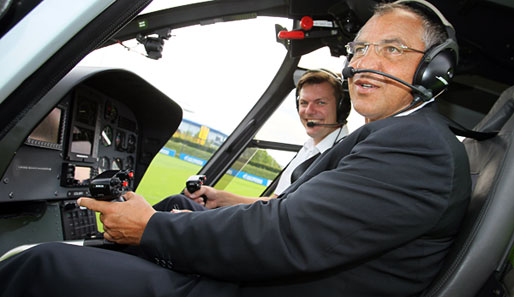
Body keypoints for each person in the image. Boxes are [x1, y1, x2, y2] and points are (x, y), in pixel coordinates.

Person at [0, 1, 471, 297]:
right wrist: (172, 223)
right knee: (173, 209)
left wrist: (151, 231)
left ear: (434, 69)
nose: (365, 62)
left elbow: (286, 234)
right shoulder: (394, 136)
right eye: (360, 48)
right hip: (260, 276)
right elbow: (296, 215)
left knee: (43, 264)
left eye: (391, 49)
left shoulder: (416, 145)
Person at [160, 69, 351, 211]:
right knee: (177, 204)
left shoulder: (340, 157)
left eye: (321, 103)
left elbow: (283, 212)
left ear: (342, 108)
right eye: (303, 103)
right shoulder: (311, 148)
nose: (309, 111)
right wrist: (219, 198)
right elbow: (276, 201)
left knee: (175, 208)